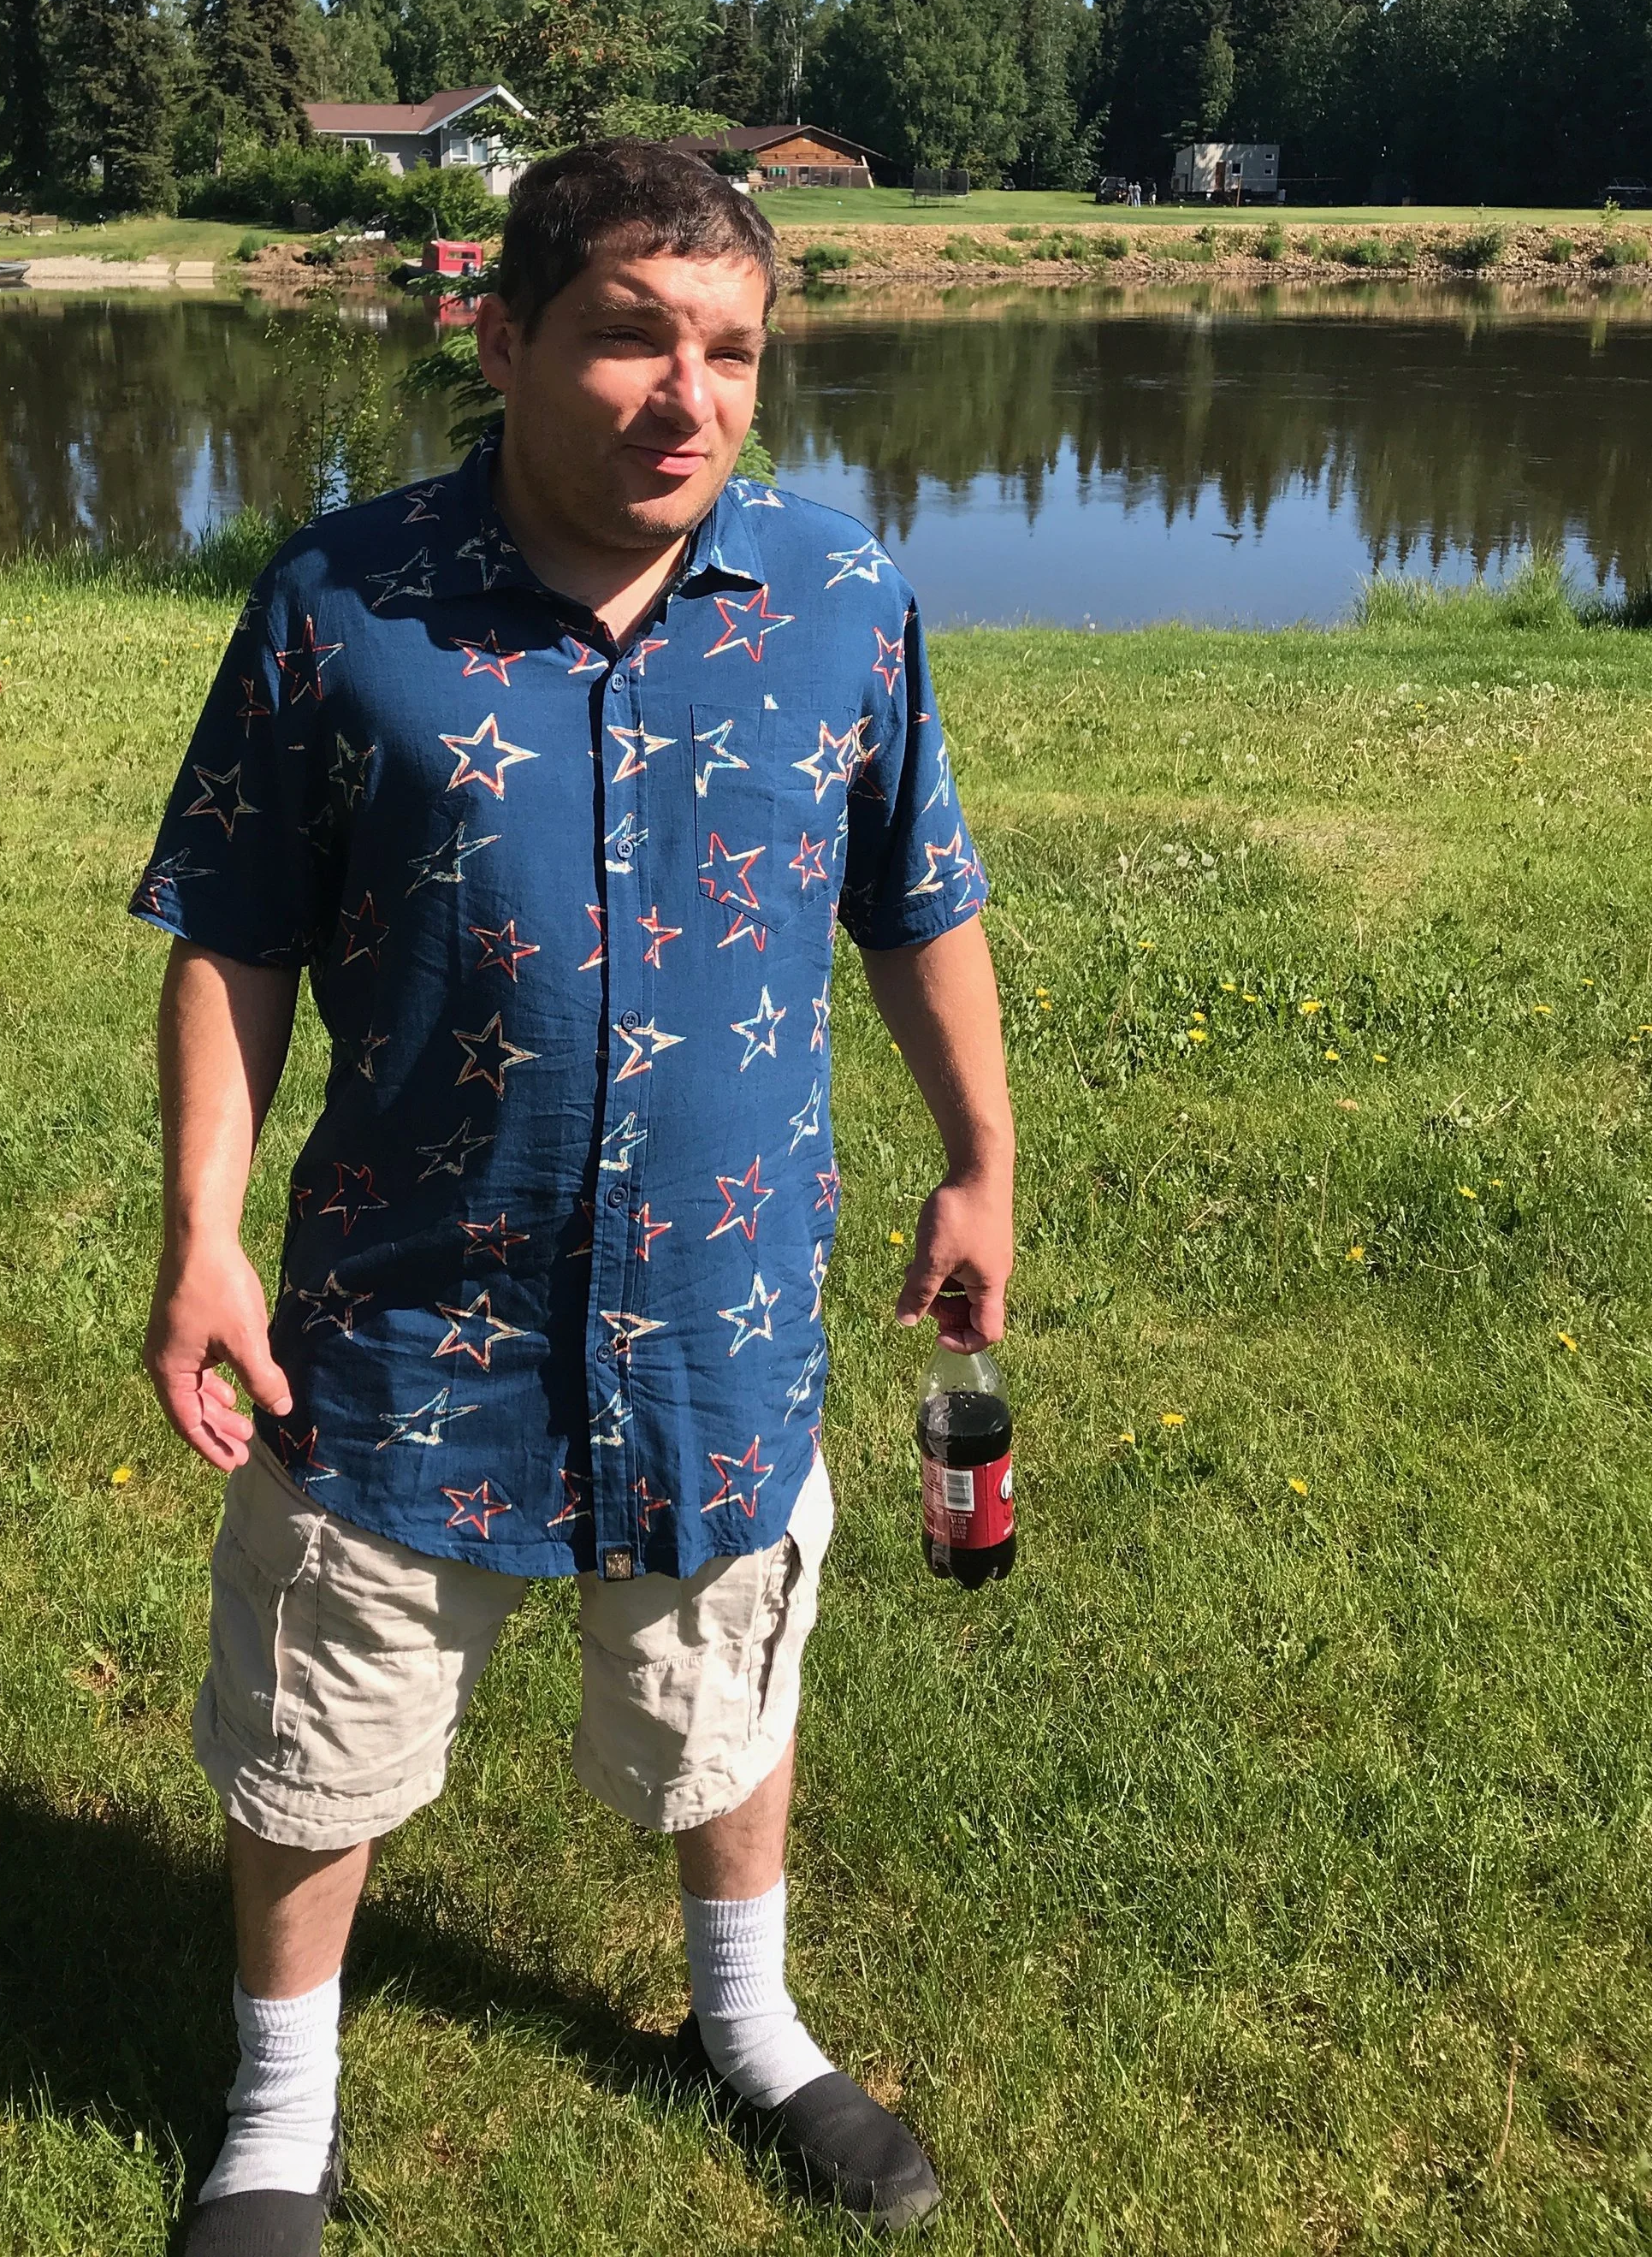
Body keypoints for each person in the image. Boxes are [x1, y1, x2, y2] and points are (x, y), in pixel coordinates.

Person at [133, 140, 1015, 2253]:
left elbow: (919, 899)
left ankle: (747, 2024)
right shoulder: (343, 605)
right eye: (628, 335)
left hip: (718, 1309)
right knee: (322, 1723)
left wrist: (979, 1159)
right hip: (407, 1314)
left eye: (725, 351)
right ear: (505, 335)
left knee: (728, 1679)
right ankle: (278, 2113)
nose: (681, 396)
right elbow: (233, 933)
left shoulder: (835, 602)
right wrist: (202, 1228)